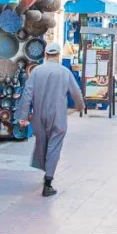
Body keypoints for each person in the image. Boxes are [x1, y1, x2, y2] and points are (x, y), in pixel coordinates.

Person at [16, 43, 85, 197]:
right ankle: (48, 182)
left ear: (45, 55)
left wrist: (23, 116)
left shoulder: (36, 72)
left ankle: (45, 171)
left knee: (42, 143)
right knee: (54, 145)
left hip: (39, 115)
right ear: (58, 55)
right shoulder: (64, 72)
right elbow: (76, 91)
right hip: (58, 115)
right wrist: (80, 106)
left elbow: (27, 94)